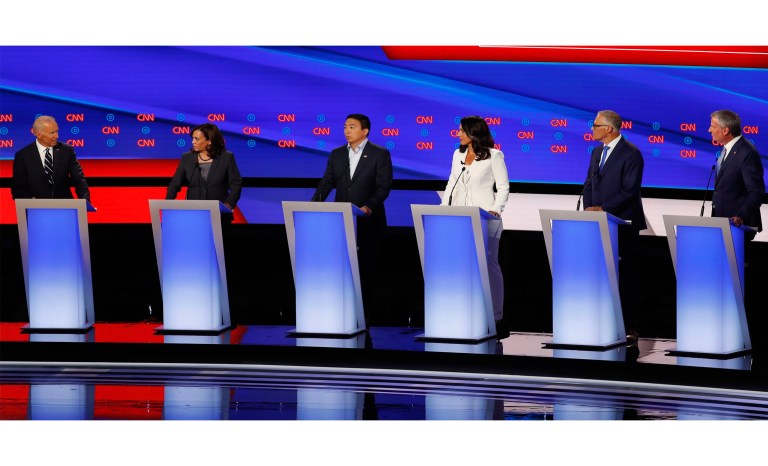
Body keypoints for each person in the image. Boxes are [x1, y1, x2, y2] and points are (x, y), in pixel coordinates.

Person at [311, 114, 393, 325]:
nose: (347, 130)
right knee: (341, 265)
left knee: (367, 267)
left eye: (352, 127)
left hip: (368, 220)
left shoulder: (379, 154)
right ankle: (342, 309)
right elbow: (326, 183)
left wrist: (369, 206)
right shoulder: (337, 154)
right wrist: (313, 205)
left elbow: (383, 187)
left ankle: (365, 314)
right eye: (345, 126)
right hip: (342, 220)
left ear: (365, 131)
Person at [440, 115, 510, 339]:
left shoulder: (494, 156)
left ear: (474, 133)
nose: (458, 134)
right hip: (461, 218)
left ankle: (496, 316)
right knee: (463, 266)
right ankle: (467, 313)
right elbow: (452, 182)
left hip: (486, 218)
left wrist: (496, 209)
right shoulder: (457, 154)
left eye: (462, 130)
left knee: (489, 266)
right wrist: (443, 207)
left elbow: (503, 186)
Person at [583, 110, 646, 343]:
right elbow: (589, 182)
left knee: (626, 276)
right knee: (599, 274)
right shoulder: (597, 151)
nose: (592, 129)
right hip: (598, 223)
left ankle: (629, 326)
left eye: (596, 125)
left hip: (623, 223)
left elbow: (630, 191)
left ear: (609, 128)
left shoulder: (632, 154)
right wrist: (589, 208)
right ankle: (601, 322)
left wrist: (603, 208)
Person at [165, 123, 243, 223]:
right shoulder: (187, 158)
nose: (193, 142)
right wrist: (167, 205)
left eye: (197, 139)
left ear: (209, 141)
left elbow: (236, 184)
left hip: (219, 215)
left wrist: (228, 204)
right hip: (193, 214)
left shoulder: (226, 157)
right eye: (192, 138)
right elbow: (174, 184)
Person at [709, 109, 765, 239]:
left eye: (713, 126)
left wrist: (740, 217)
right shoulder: (728, 149)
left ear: (725, 130)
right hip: (722, 224)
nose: (709, 130)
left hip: (738, 226)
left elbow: (756, 192)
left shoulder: (747, 152)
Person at [11, 115, 90, 201]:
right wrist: (31, 203)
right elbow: (18, 188)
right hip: (36, 210)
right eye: (52, 133)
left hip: (65, 207)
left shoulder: (67, 150)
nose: (57, 136)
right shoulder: (23, 156)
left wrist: (84, 201)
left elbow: (78, 179)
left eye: (57, 132)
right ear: (39, 135)